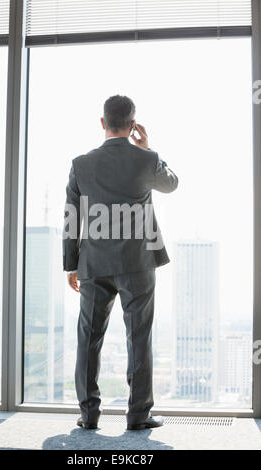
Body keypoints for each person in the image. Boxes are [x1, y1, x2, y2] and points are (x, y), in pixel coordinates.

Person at [63, 95, 178, 430]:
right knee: (138, 336)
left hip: (94, 264)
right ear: (132, 125)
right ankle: (138, 415)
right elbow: (170, 184)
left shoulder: (80, 163)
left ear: (102, 123)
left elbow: (72, 217)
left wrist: (72, 265)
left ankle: (89, 414)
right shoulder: (146, 158)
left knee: (89, 337)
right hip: (138, 263)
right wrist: (147, 147)